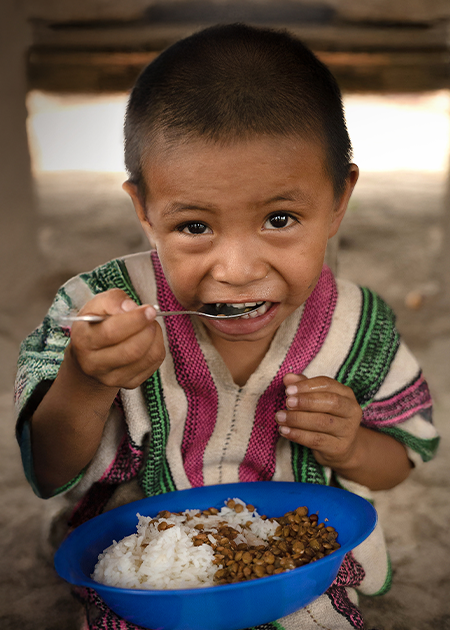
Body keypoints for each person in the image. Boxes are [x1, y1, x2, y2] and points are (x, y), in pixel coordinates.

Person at [15, 23, 439, 630]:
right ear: (144, 210)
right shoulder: (93, 309)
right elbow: (47, 471)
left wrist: (350, 445)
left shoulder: (358, 327)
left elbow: (400, 459)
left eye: (281, 217)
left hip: (295, 555)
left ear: (340, 198)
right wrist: (86, 378)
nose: (237, 271)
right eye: (194, 227)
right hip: (147, 560)